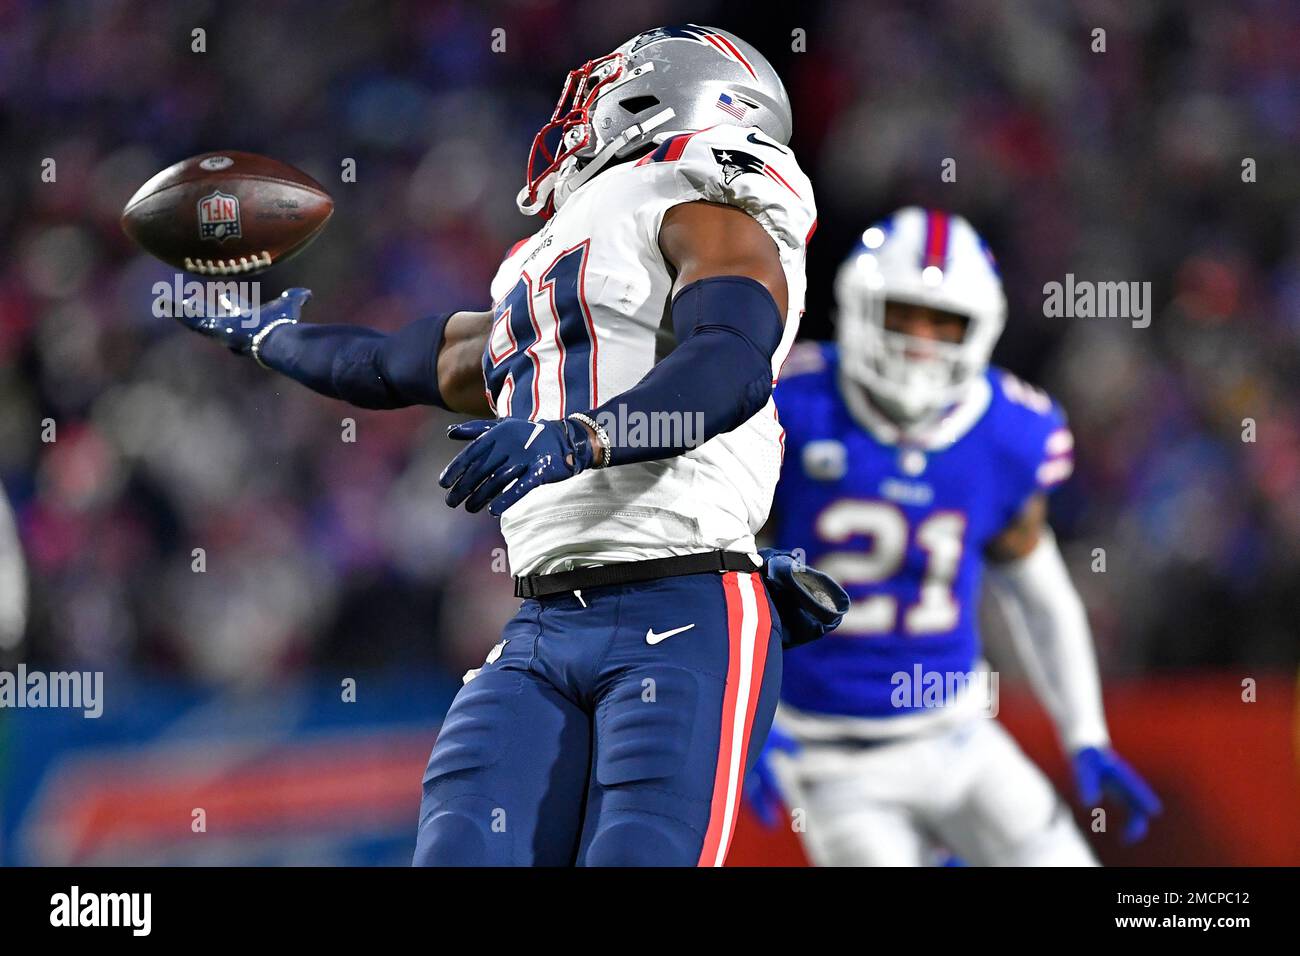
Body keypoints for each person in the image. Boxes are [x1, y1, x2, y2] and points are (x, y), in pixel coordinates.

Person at [168, 25, 840, 866]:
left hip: (688, 604)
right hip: (542, 624)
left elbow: (729, 365)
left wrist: (583, 438)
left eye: (602, 91)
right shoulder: (560, 263)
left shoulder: (711, 206)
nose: (577, 114)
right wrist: (275, 339)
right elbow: (397, 362)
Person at [747, 207, 1160, 865]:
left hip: (961, 737)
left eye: (944, 322)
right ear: (859, 309)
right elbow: (723, 568)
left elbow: (1041, 595)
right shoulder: (789, 406)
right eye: (903, 314)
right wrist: (742, 715)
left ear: (982, 328)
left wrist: (1086, 733)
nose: (920, 341)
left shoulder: (1006, 433)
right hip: (832, 760)